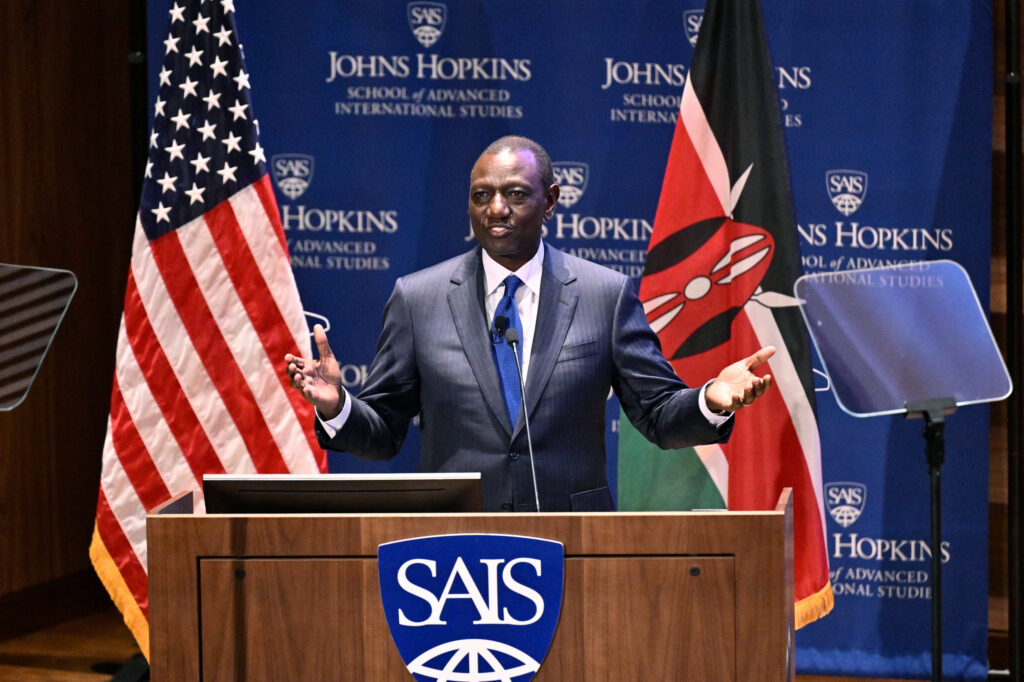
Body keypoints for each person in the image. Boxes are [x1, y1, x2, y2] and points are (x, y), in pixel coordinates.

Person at [285, 135, 774, 512]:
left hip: (572, 543)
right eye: (482, 195)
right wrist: (337, 407)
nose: (496, 209)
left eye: (515, 193)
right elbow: (383, 434)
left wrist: (710, 399)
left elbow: (659, 415)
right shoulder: (419, 299)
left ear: (551, 200)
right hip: (455, 546)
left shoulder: (604, 295)